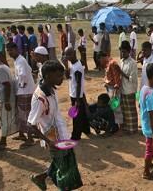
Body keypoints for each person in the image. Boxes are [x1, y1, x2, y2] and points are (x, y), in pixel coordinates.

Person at [28, 60, 83, 191]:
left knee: (67, 162)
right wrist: (49, 142)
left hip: (62, 134)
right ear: (48, 76)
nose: (62, 78)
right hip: (53, 139)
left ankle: (40, 177)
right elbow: (31, 124)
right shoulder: (40, 99)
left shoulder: (51, 88)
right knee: (64, 172)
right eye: (59, 76)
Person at [6, 42, 36, 148]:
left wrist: (21, 85)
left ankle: (30, 139)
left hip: (25, 92)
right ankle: (21, 134)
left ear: (16, 49)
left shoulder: (21, 61)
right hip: (23, 91)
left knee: (25, 115)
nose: (9, 52)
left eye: (11, 50)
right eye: (8, 50)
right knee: (21, 114)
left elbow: (22, 75)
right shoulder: (18, 60)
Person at [64, 47, 90, 140]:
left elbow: (78, 84)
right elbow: (67, 76)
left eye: (69, 54)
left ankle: (76, 136)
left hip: (77, 95)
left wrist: (78, 100)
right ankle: (86, 129)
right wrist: (65, 65)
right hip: (75, 93)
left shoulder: (77, 67)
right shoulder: (72, 64)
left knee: (77, 117)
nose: (67, 56)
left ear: (74, 54)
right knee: (81, 113)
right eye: (66, 54)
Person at [98, 51, 123, 136]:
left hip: (113, 89)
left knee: (116, 108)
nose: (100, 62)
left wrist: (116, 91)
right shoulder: (109, 63)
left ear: (101, 57)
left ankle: (121, 129)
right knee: (113, 109)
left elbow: (117, 79)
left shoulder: (112, 63)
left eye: (100, 60)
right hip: (110, 88)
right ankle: (116, 128)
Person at [119, 41, 138, 134]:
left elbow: (132, 78)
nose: (123, 54)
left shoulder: (133, 63)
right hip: (122, 89)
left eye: (124, 52)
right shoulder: (121, 61)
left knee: (130, 111)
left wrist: (122, 73)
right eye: (122, 52)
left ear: (129, 52)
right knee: (124, 110)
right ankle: (126, 128)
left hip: (130, 89)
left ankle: (133, 129)